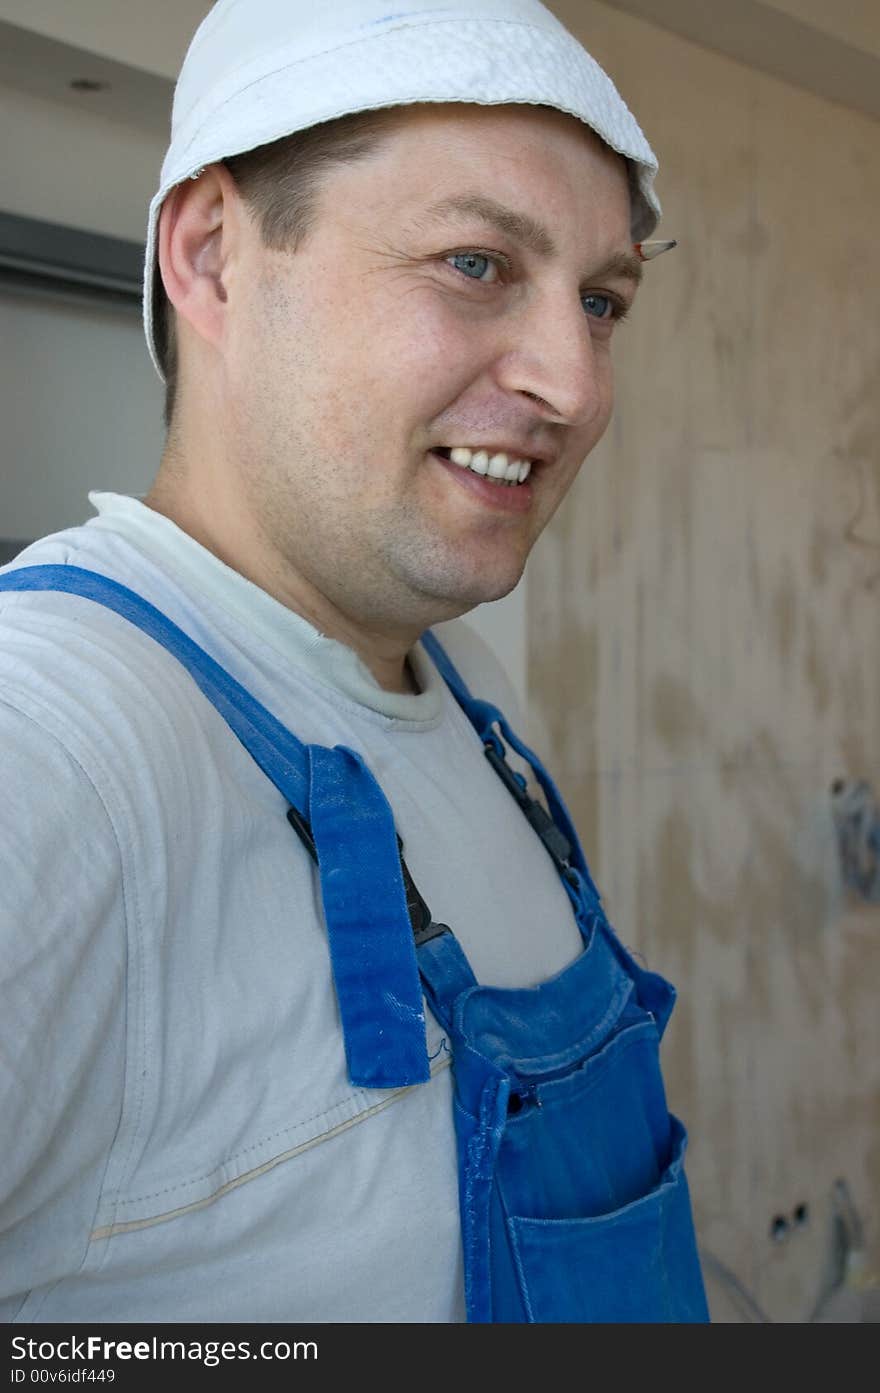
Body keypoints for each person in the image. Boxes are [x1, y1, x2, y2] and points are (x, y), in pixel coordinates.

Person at [0, 0, 709, 1324]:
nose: (577, 382)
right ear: (212, 257)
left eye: (603, 298)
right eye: (477, 264)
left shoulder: (470, 683)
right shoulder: (58, 742)